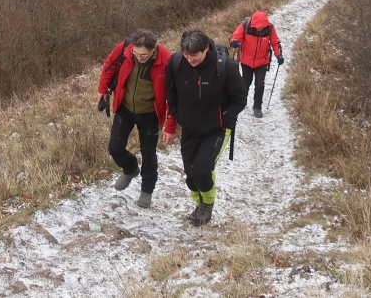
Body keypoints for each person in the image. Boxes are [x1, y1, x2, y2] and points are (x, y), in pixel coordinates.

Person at [163, 29, 245, 226]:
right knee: (190, 174)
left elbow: (240, 98)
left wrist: (225, 118)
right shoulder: (176, 63)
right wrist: (177, 117)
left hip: (217, 129)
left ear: (206, 48)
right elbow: (171, 94)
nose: (190, 59)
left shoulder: (224, 67)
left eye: (195, 55)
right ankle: (199, 204)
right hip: (189, 129)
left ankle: (207, 204)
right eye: (186, 54)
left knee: (201, 169)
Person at [97, 29, 172, 208]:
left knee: (148, 154)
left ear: (153, 49)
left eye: (143, 55)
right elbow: (110, 65)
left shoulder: (166, 60)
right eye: (135, 53)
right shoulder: (125, 48)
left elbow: (174, 94)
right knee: (114, 148)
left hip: (150, 114)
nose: (139, 57)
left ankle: (147, 190)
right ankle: (130, 168)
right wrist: (102, 89)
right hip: (125, 108)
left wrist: (170, 125)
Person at [229, 11, 283, 118]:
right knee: (245, 82)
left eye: (262, 26)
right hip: (246, 61)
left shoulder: (270, 29)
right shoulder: (245, 26)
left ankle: (257, 107)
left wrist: (279, 55)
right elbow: (235, 36)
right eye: (257, 26)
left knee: (260, 84)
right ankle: (241, 103)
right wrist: (234, 42)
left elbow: (275, 43)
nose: (259, 28)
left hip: (262, 61)